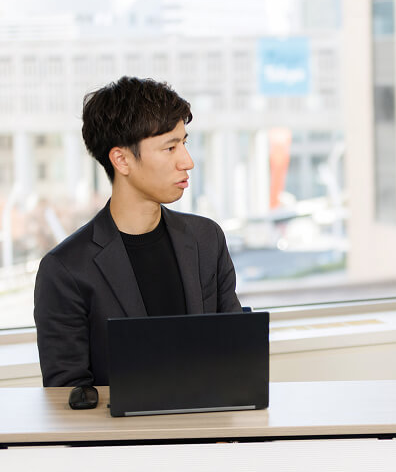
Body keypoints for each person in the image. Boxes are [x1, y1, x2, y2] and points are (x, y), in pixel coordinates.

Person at [34, 77, 242, 387]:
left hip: (211, 434)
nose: (187, 161)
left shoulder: (206, 239)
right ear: (121, 159)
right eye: (170, 147)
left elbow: (237, 353)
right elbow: (69, 397)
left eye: (183, 143)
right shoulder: (65, 270)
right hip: (121, 436)